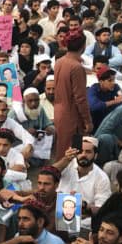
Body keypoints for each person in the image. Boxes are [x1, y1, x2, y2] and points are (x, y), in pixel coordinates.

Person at [52, 29, 93, 157]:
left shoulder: (59, 61)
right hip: (72, 114)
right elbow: (80, 98)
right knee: (72, 152)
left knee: (62, 148)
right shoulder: (76, 67)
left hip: (59, 110)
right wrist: (87, 121)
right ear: (83, 46)